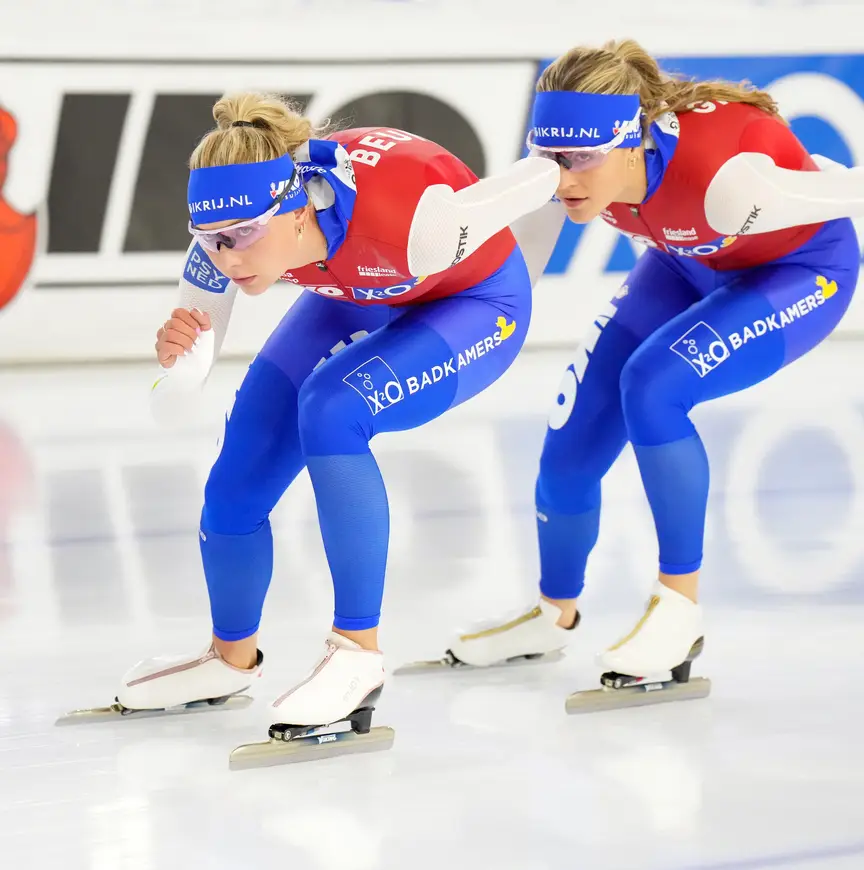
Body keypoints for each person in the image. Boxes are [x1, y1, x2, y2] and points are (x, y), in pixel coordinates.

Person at [76, 92, 558, 752]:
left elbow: (534, 183)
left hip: (474, 302)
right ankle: (229, 657)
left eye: (242, 236)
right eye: (210, 241)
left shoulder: (417, 220)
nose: (228, 258)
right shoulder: (227, 228)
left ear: (297, 209)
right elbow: (172, 404)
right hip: (354, 291)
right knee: (241, 463)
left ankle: (357, 654)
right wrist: (180, 365)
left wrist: (560, 161)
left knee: (334, 409)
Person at [422, 39, 862, 707]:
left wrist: (805, 182)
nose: (564, 180)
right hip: (686, 260)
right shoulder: (558, 173)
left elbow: (843, 187)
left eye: (582, 161)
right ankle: (552, 614)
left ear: (633, 141)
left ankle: (678, 611)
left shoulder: (726, 178)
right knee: (572, 435)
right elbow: (513, 286)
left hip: (799, 271)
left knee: (655, 386)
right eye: (551, 159)